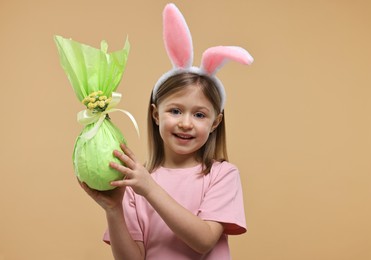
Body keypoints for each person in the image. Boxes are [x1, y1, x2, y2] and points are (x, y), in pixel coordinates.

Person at [80, 3, 253, 259]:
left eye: (199, 114)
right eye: (175, 111)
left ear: (215, 123)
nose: (185, 123)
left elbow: (204, 240)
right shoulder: (137, 181)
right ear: (155, 115)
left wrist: (150, 189)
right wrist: (114, 209)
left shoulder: (221, 175)